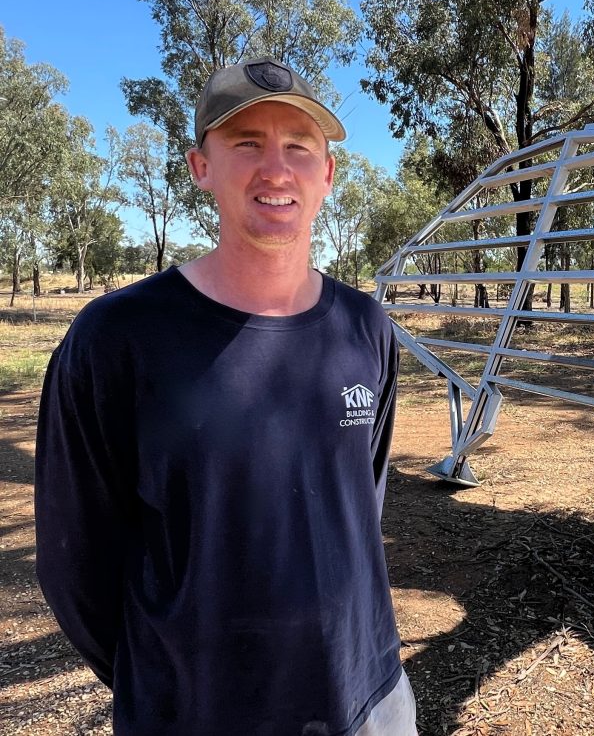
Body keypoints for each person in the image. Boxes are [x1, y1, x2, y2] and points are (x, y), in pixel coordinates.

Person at [34, 58, 417, 735]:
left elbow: (362, 497)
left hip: (369, 699)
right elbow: (75, 566)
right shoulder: (118, 338)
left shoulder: (365, 327)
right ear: (199, 165)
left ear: (326, 175)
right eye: (246, 143)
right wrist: (167, 683)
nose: (276, 168)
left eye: (299, 146)